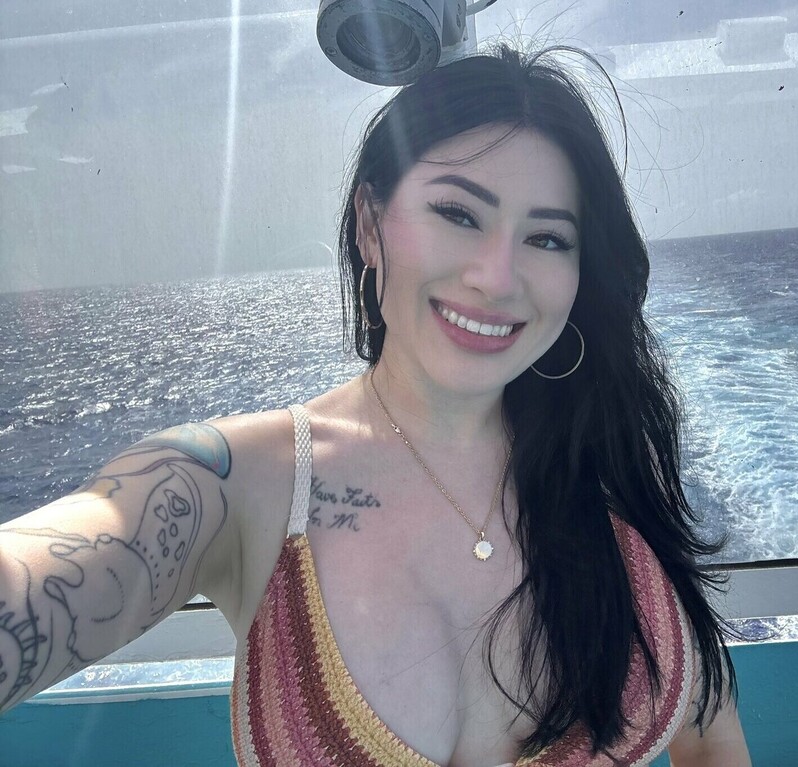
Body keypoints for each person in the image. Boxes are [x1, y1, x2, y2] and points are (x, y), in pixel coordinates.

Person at [0, 45, 751, 765]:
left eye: (548, 239)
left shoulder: (612, 476)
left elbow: (711, 738)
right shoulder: (240, 485)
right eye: (458, 213)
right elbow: (83, 549)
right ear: (369, 222)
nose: (497, 277)